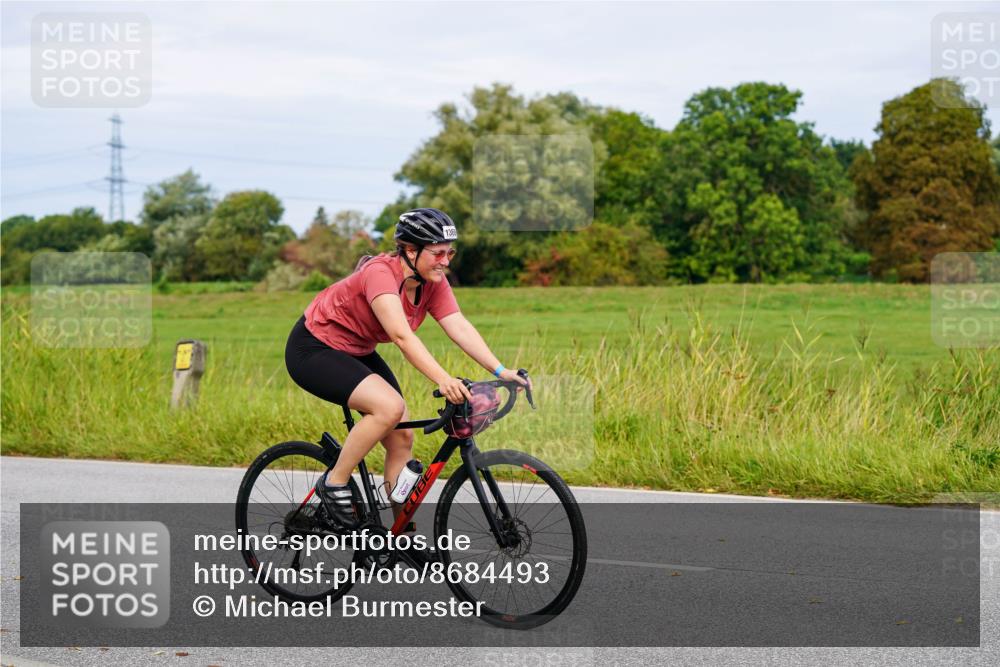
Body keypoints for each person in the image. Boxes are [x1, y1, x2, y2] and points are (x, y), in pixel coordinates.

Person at [284, 207, 529, 530]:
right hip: (314, 348)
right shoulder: (380, 274)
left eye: (449, 253)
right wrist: (443, 379)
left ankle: (399, 533)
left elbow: (458, 325)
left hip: (357, 349)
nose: (446, 261)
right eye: (438, 253)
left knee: (401, 438)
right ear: (410, 251)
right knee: (389, 407)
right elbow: (401, 335)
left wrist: (501, 370)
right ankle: (334, 483)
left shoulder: (432, 281)